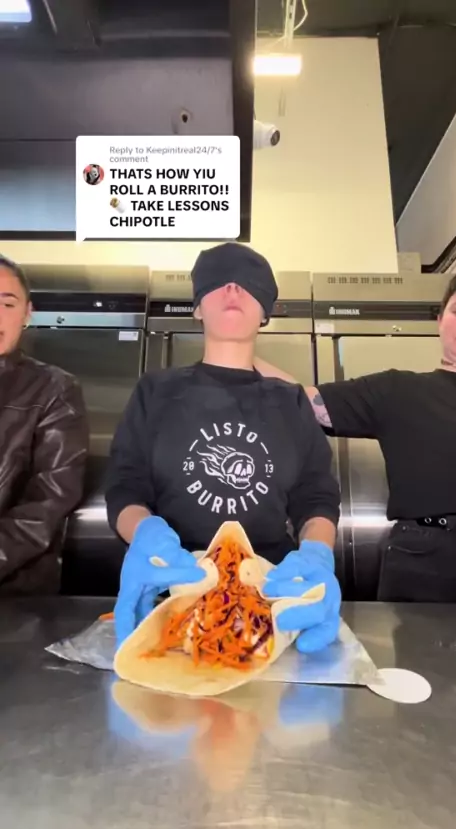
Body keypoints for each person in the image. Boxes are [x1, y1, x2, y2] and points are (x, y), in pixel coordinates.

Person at [106, 242, 341, 649]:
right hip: (170, 597)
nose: (233, 289)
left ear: (265, 312)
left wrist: (317, 554)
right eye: (219, 281)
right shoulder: (155, 391)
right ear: (197, 308)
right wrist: (144, 534)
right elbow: (126, 486)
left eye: (247, 283)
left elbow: (316, 497)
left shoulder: (291, 401)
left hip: (272, 603)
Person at [256, 265, 456, 603]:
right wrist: (233, 349)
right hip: (423, 566)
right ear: (440, 321)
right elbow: (301, 400)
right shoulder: (398, 390)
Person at [0, 255, 89, 593]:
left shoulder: (54, 390)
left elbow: (47, 503)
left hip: (14, 595)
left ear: (27, 313)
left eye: (7, 303)